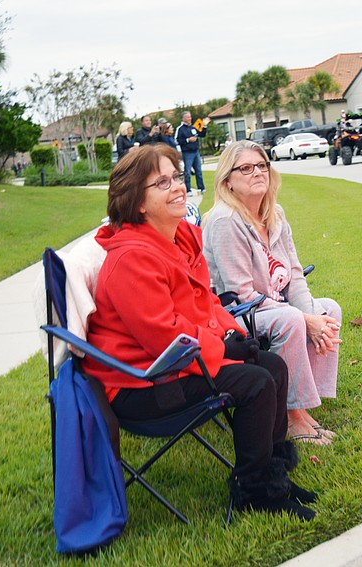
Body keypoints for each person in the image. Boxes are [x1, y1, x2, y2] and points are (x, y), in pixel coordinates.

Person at [81, 143, 317, 520]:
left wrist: (232, 336)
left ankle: (274, 477)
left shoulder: (182, 238)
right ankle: (254, 492)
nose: (178, 186)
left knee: (272, 366)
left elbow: (206, 302)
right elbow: (165, 337)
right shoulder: (131, 259)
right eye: (162, 182)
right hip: (143, 382)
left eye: (176, 176)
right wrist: (223, 349)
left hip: (178, 361)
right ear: (138, 203)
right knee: (255, 382)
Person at [202, 140, 343, 446]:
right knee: (291, 319)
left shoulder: (274, 213)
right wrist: (303, 319)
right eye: (246, 168)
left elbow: (293, 273)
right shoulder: (225, 222)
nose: (258, 173)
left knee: (328, 310)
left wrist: (312, 316)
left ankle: (307, 401)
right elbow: (239, 293)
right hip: (234, 315)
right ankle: (291, 416)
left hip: (272, 303)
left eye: (262, 165)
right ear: (228, 180)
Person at [175, 111, 207, 194]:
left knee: (199, 171)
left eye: (190, 117)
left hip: (196, 151)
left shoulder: (193, 127)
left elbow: (202, 134)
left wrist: (204, 125)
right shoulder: (180, 129)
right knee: (188, 172)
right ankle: (188, 189)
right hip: (187, 153)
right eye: (188, 117)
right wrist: (188, 140)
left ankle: (201, 187)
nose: (190, 118)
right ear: (183, 118)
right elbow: (177, 141)